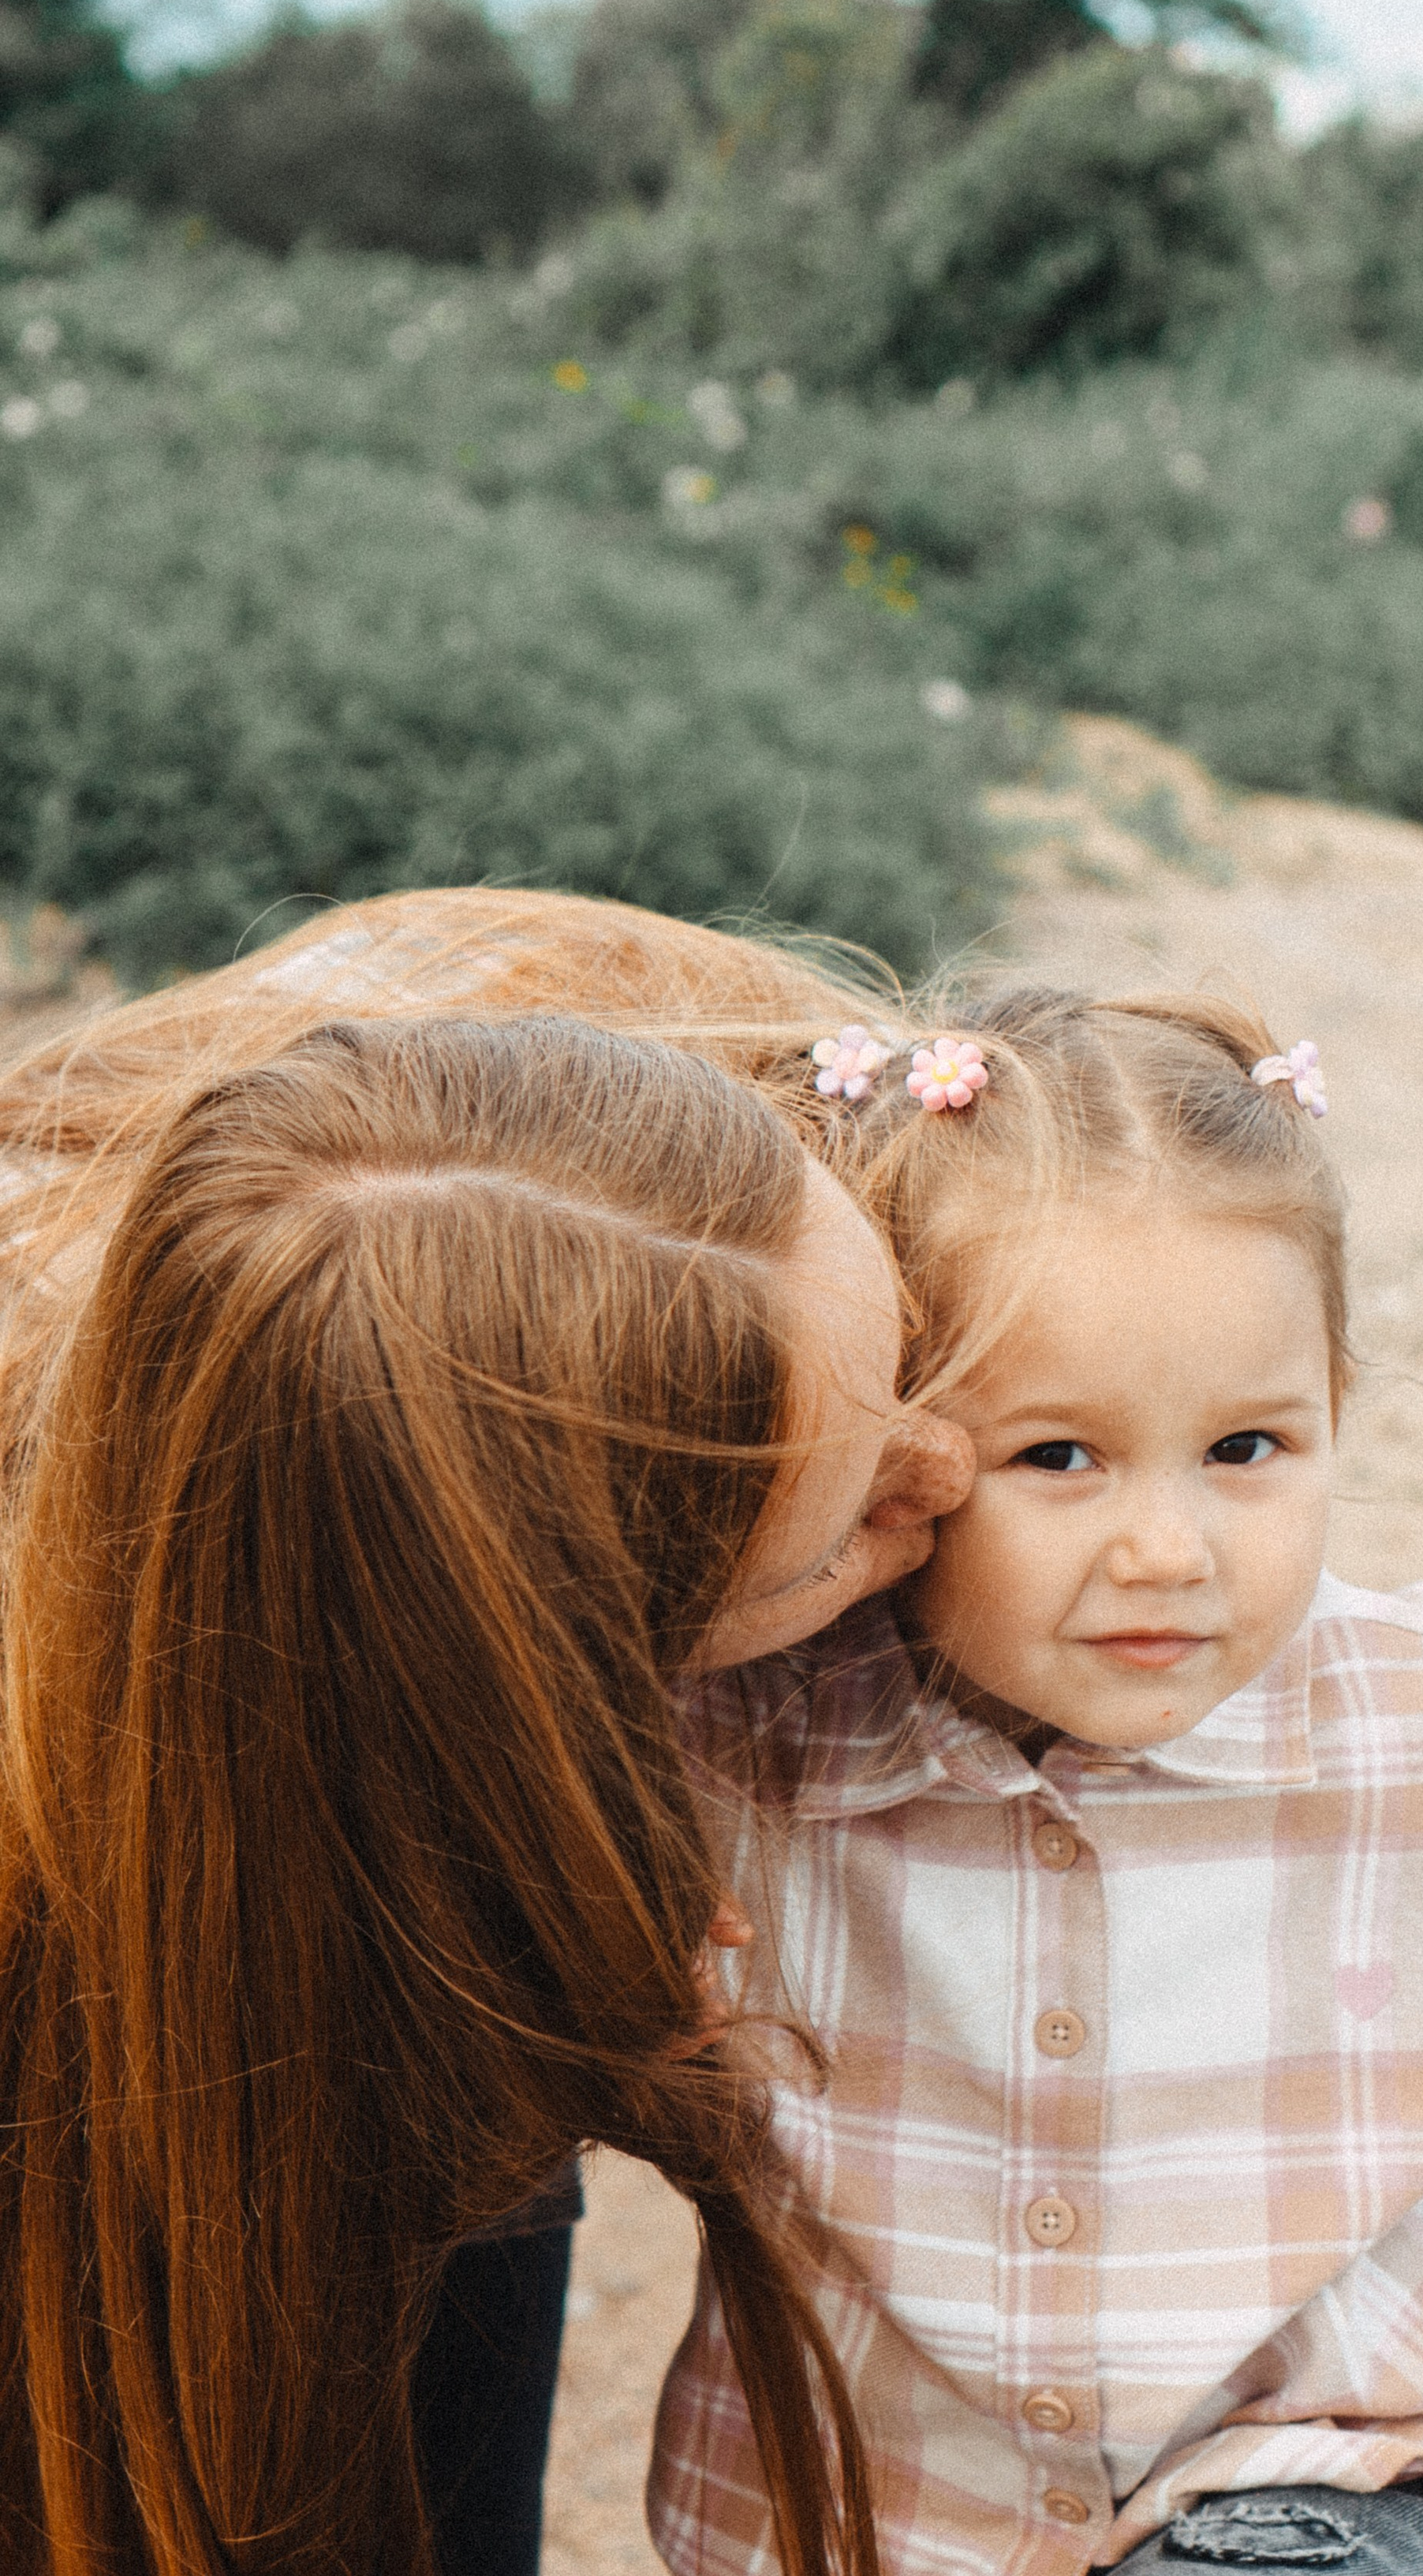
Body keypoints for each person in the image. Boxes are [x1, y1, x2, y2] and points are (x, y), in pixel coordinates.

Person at [652, 984, 1423, 2576]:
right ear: (894, 1462)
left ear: (1334, 1407)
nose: (1168, 1550)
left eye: (1244, 1451)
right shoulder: (744, 1740)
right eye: (1057, 1458)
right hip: (885, 2509)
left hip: (1350, 2454)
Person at [0, 894, 972, 2576]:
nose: (947, 1474)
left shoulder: (656, 1074)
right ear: (528, 1688)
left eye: (913, 1348)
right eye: (842, 1532)